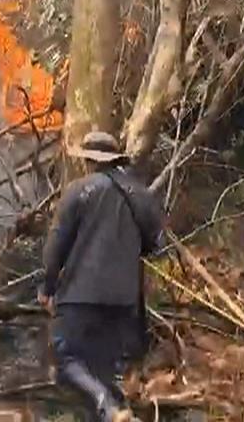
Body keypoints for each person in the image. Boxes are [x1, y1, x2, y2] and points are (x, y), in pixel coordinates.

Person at [39, 132, 164, 422]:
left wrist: (47, 287)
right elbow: (156, 243)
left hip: (79, 295)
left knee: (65, 358)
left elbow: (56, 244)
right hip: (124, 298)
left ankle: (106, 405)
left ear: (88, 161)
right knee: (103, 368)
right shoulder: (140, 194)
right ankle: (117, 413)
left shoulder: (78, 191)